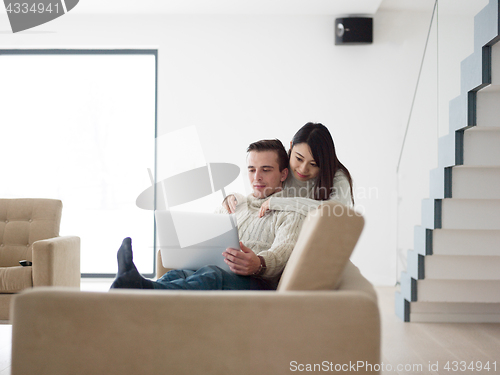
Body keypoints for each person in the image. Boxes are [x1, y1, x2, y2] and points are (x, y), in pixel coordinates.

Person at [110, 139, 306, 291]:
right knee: (181, 273)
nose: (257, 178)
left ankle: (140, 289)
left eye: (266, 170)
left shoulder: (291, 212)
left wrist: (259, 264)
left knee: (211, 274)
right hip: (219, 273)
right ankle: (135, 288)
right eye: (252, 170)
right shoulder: (235, 203)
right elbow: (207, 240)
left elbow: (282, 253)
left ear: (283, 174)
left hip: (257, 284)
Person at [225, 122, 354, 217]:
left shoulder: (337, 177)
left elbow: (336, 211)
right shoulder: (281, 165)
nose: (303, 169)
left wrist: (280, 202)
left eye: (313, 164)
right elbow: (259, 193)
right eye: (299, 158)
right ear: (291, 145)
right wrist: (236, 199)